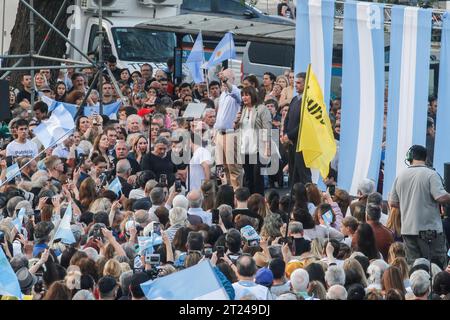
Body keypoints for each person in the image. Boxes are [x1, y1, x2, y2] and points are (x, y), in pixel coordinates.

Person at [389, 145, 450, 268]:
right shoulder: (431, 174)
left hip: (407, 230)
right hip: (430, 231)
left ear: (410, 157)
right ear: (426, 158)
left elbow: (393, 202)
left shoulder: (400, 176)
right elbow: (440, 197)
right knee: (436, 266)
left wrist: (409, 204)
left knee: (414, 267)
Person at [235, 86, 272, 195]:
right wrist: (236, 121)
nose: (244, 97)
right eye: (242, 95)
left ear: (252, 95)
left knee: (257, 178)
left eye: (247, 95)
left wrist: (267, 147)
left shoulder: (261, 109)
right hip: (245, 148)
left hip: (258, 149)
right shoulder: (243, 110)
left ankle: (259, 201)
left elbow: (266, 129)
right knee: (248, 178)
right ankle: (250, 201)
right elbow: (239, 128)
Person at [214, 68, 243, 190]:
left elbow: (232, 90)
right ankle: (226, 194)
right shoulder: (222, 95)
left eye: (225, 79)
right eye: (221, 80)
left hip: (231, 134)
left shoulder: (237, 92)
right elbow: (220, 115)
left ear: (232, 79)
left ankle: (238, 196)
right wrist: (214, 132)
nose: (223, 82)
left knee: (234, 168)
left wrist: (225, 81)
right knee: (222, 167)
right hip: (220, 134)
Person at [281, 72, 311, 186]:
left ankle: (308, 198)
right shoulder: (294, 99)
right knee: (293, 172)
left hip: (302, 143)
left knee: (303, 173)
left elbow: (304, 123)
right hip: (291, 143)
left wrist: (289, 135)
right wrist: (285, 134)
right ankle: (294, 197)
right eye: (295, 83)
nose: (296, 85)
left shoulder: (308, 101)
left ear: (306, 83)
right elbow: (287, 118)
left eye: (299, 83)